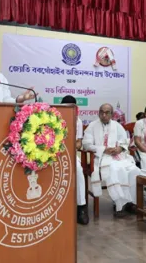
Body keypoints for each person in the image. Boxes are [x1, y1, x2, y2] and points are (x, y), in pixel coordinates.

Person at [83, 104, 141, 217]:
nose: (104, 115)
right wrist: (103, 149)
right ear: (98, 113)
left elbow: (124, 141)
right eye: (102, 112)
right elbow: (86, 145)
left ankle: (131, 202)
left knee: (134, 170)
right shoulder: (92, 126)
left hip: (119, 156)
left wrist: (119, 148)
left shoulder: (117, 126)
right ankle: (119, 203)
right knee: (115, 169)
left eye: (107, 112)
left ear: (112, 114)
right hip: (101, 158)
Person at [61, 95, 89, 225]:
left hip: (70, 153)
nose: (71, 109)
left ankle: (81, 207)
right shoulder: (53, 118)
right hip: (53, 154)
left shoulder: (77, 121)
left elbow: (78, 144)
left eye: (73, 107)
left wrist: (71, 144)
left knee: (78, 170)